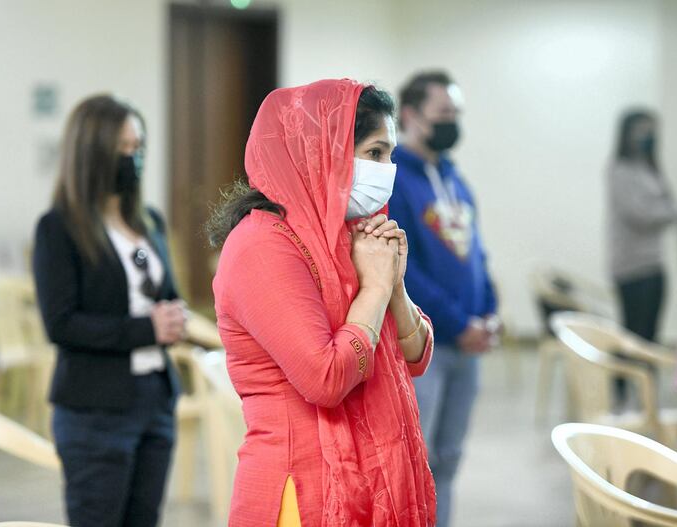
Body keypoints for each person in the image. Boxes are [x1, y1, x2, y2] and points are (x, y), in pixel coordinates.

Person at [208, 79, 436, 527]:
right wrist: (373, 290)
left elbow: (415, 355)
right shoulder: (261, 246)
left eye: (390, 155)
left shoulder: (352, 229)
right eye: (374, 154)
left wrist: (393, 287)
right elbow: (326, 378)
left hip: (370, 476)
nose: (387, 170)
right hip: (303, 490)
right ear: (322, 152)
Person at [33, 95, 185, 527]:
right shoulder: (59, 227)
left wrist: (175, 318)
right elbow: (60, 324)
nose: (132, 158)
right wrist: (144, 329)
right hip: (94, 408)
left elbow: (165, 294)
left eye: (137, 147)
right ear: (91, 151)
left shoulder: (148, 220)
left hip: (156, 399)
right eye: (122, 148)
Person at [389, 70, 499, 527]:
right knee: (417, 460)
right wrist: (457, 323)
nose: (453, 123)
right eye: (444, 114)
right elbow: (405, 271)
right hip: (425, 347)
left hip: (467, 345)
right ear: (411, 116)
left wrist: (489, 312)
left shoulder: (456, 179)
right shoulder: (395, 180)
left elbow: (476, 254)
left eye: (457, 113)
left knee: (449, 458)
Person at [606, 109, 676, 404]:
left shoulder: (651, 168)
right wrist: (663, 210)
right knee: (631, 331)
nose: (647, 136)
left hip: (655, 262)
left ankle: (647, 392)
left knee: (650, 333)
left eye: (652, 129)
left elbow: (670, 205)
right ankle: (620, 392)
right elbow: (640, 214)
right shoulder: (618, 170)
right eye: (641, 129)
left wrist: (662, 210)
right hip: (630, 265)